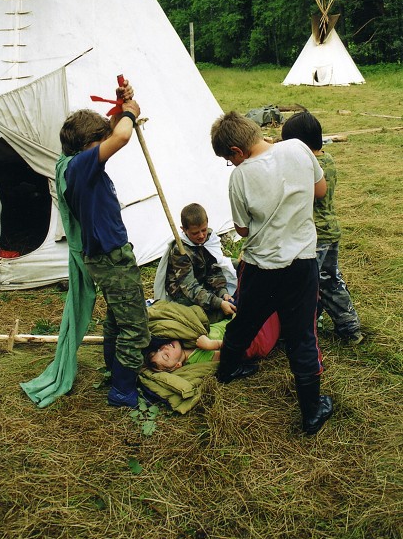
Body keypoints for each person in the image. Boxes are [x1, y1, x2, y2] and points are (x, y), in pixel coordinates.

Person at [210, 110, 332, 436]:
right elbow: (319, 192)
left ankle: (226, 371)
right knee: (303, 336)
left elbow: (242, 228)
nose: (231, 165)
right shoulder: (297, 148)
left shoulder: (239, 176)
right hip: (302, 264)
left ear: (236, 152)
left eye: (228, 159)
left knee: (246, 319)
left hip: (261, 266)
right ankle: (312, 411)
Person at [58, 78, 150, 408]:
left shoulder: (74, 165)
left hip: (105, 255)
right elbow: (121, 136)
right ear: (88, 147)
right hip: (111, 257)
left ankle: (115, 371)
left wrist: (119, 104)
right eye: (100, 142)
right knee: (136, 328)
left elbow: (113, 134)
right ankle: (123, 391)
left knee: (118, 317)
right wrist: (129, 112)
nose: (105, 145)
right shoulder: (83, 166)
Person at [281, 111, 363, 344]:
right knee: (326, 279)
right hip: (329, 231)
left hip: (317, 237)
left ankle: (347, 327)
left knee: (317, 283)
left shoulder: (309, 166)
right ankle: (319, 322)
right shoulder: (327, 160)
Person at [153, 203, 237, 323]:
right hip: (183, 293)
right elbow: (190, 287)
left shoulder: (208, 239)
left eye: (203, 230)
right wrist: (218, 303)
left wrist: (222, 292)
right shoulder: (180, 251)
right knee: (204, 316)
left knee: (236, 268)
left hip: (202, 284)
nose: (201, 235)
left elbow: (214, 270)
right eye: (195, 233)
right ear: (184, 230)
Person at [144, 314, 280, 372]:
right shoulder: (201, 358)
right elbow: (236, 353)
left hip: (236, 318)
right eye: (165, 356)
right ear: (177, 365)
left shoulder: (184, 339)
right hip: (252, 333)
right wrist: (212, 345)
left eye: (159, 349)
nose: (164, 348)